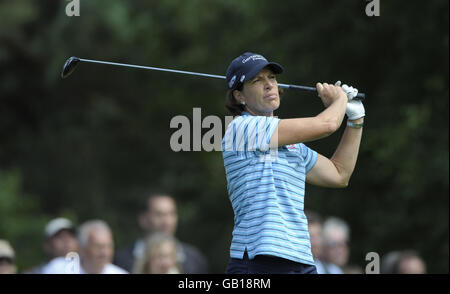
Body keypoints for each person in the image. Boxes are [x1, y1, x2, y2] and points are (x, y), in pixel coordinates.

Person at [222, 52, 365, 274]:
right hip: (258, 259)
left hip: (300, 259)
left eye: (271, 77)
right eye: (257, 80)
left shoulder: (294, 147)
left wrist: (355, 120)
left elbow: (339, 174)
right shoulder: (241, 129)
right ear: (240, 97)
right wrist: (339, 101)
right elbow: (326, 125)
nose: (269, 85)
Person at [114, 194, 208, 273]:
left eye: (171, 214)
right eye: (159, 214)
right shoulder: (120, 261)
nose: (166, 222)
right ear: (143, 219)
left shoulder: (194, 260)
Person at [42, 219, 128, 274]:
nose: (104, 252)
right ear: (82, 248)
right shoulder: (56, 269)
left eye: (109, 246)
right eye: (98, 246)